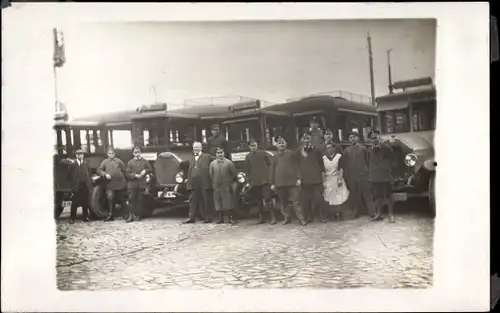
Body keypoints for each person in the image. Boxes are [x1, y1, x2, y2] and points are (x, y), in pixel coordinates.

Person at [270, 135, 307, 226]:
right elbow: (272, 170)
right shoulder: (274, 157)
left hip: (292, 182)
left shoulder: (291, 154)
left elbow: (296, 166)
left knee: (297, 201)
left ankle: (301, 218)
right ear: (276, 145)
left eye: (283, 143)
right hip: (280, 183)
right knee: (283, 202)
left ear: (286, 144)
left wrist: (299, 178)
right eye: (279, 143)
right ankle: (287, 218)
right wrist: (272, 183)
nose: (281, 145)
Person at [341, 132, 377, 220]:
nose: (352, 139)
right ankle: (354, 213)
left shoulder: (363, 149)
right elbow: (344, 164)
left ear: (357, 138)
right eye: (350, 137)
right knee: (353, 195)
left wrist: (368, 174)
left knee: (367, 194)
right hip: (351, 177)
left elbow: (368, 162)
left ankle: (372, 213)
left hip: (363, 175)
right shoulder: (346, 150)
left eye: (354, 137)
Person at [244, 138, 276, 225]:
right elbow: (247, 170)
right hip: (255, 182)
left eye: (254, 145)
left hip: (264, 181)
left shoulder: (263, 153)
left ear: (257, 145)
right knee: (258, 200)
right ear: (249, 147)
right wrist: (248, 182)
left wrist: (269, 177)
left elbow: (271, 165)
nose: (253, 147)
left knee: (267, 199)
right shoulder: (248, 157)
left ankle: (272, 217)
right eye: (251, 146)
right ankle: (261, 218)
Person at [296, 132, 326, 223]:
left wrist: (323, 177)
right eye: (304, 138)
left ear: (311, 139)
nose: (306, 140)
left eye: (308, 138)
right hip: (305, 179)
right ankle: (308, 216)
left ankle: (321, 216)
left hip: (316, 178)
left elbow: (321, 165)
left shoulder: (317, 150)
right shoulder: (298, 151)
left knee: (318, 198)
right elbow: (296, 166)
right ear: (302, 140)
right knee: (306, 200)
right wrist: (299, 178)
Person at [368, 130, 397, 223]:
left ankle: (391, 215)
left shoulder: (386, 148)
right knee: (377, 196)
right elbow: (369, 162)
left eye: (375, 137)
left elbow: (394, 161)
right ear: (370, 140)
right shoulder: (369, 150)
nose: (374, 139)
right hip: (375, 177)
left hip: (385, 176)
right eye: (372, 138)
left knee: (388, 196)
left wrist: (386, 167)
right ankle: (379, 214)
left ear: (379, 137)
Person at [183, 141, 215, 224]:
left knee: (206, 200)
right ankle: (191, 218)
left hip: (204, 182)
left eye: (197, 147)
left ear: (201, 148)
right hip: (194, 183)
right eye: (194, 148)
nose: (195, 149)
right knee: (192, 200)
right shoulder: (191, 158)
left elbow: (216, 161)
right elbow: (190, 170)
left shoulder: (207, 156)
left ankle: (208, 217)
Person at [209, 146, 238, 225]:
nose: (220, 154)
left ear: (224, 153)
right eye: (218, 153)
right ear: (216, 154)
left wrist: (229, 182)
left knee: (228, 202)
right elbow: (211, 175)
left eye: (221, 153)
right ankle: (220, 218)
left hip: (226, 186)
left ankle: (231, 218)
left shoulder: (229, 163)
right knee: (218, 202)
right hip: (217, 186)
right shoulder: (212, 164)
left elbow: (233, 174)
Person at [98, 147, 128, 222]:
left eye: (112, 153)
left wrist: (124, 180)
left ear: (114, 154)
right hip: (110, 184)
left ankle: (125, 213)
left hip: (119, 183)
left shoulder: (118, 161)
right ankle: (110, 215)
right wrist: (105, 174)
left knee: (121, 199)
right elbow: (99, 170)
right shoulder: (104, 162)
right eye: (109, 153)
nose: (111, 155)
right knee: (110, 198)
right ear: (107, 154)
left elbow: (124, 170)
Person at [322, 142, 350, 220]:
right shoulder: (323, 158)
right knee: (330, 197)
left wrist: (340, 179)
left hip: (337, 178)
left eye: (331, 148)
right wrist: (323, 181)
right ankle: (332, 214)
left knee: (339, 196)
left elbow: (341, 169)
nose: (329, 149)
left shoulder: (338, 156)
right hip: (328, 179)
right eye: (328, 148)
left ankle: (340, 213)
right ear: (326, 150)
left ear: (334, 148)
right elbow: (323, 171)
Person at [125, 147, 153, 222]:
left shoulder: (145, 161)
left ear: (140, 153)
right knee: (131, 199)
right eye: (135, 152)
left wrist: (145, 170)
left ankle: (138, 215)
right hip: (132, 184)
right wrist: (134, 175)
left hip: (141, 184)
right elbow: (127, 173)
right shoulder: (130, 162)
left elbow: (151, 169)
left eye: (138, 152)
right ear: (133, 154)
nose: (137, 154)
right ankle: (131, 216)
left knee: (140, 200)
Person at [67, 149, 93, 224]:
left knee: (85, 202)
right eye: (78, 154)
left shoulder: (86, 163)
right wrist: (73, 182)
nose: (80, 156)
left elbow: (90, 174)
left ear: (83, 155)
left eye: (81, 154)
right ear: (76, 155)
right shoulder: (72, 164)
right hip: (76, 186)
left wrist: (88, 182)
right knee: (74, 202)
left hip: (85, 185)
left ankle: (85, 217)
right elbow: (68, 176)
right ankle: (72, 218)